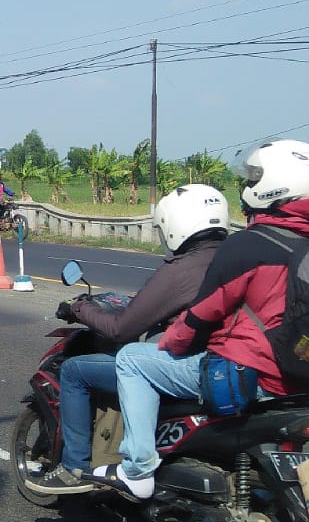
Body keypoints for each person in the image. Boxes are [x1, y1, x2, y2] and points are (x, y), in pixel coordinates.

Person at [83, 139, 309, 499]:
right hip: (306, 379)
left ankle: (136, 469)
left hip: (252, 373)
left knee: (133, 360)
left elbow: (204, 312)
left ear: (275, 184)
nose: (247, 187)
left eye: (254, 177)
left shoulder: (251, 245)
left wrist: (172, 342)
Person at [27, 184, 230, 495]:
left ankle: (74, 468)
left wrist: (79, 308)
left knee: (75, 371)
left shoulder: (183, 269)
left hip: (193, 365)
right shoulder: (235, 258)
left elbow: (122, 329)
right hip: (231, 363)